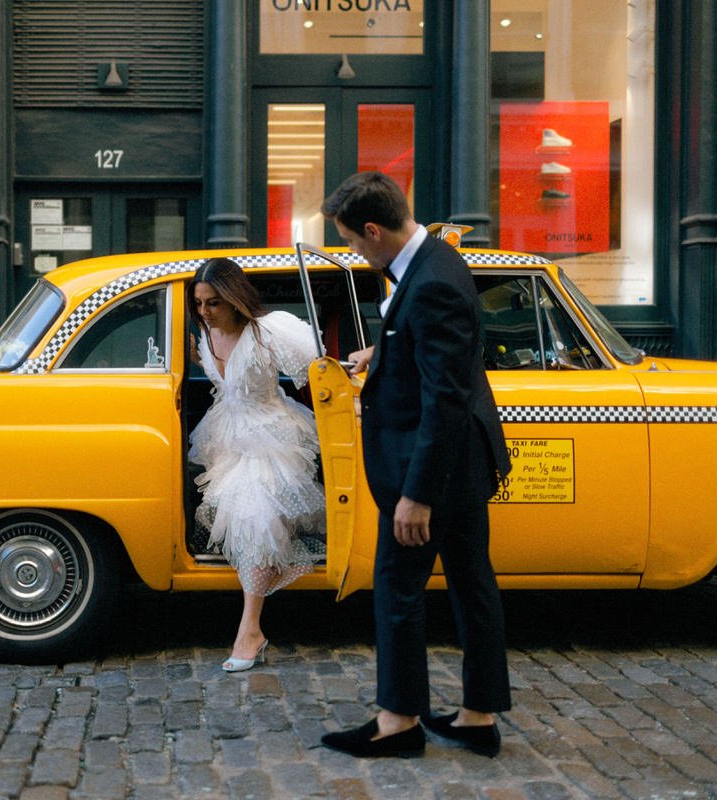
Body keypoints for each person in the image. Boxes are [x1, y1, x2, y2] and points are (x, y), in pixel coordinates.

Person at [318, 172, 513, 758]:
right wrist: (385, 352)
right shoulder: (436, 261)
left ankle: (397, 723)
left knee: (397, 591)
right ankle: (479, 716)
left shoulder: (430, 282)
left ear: (374, 230)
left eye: (352, 240)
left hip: (433, 469)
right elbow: (441, 356)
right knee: (473, 585)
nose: (354, 250)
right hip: (461, 462)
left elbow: (446, 397)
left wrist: (416, 495)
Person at [186, 257, 325, 672]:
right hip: (224, 437)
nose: (205, 312)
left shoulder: (268, 332)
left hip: (272, 437)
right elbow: (222, 380)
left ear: (234, 298)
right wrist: (200, 362)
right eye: (199, 303)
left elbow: (318, 367)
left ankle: (250, 629)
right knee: (237, 512)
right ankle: (251, 629)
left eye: (214, 303)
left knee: (255, 516)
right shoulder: (204, 334)